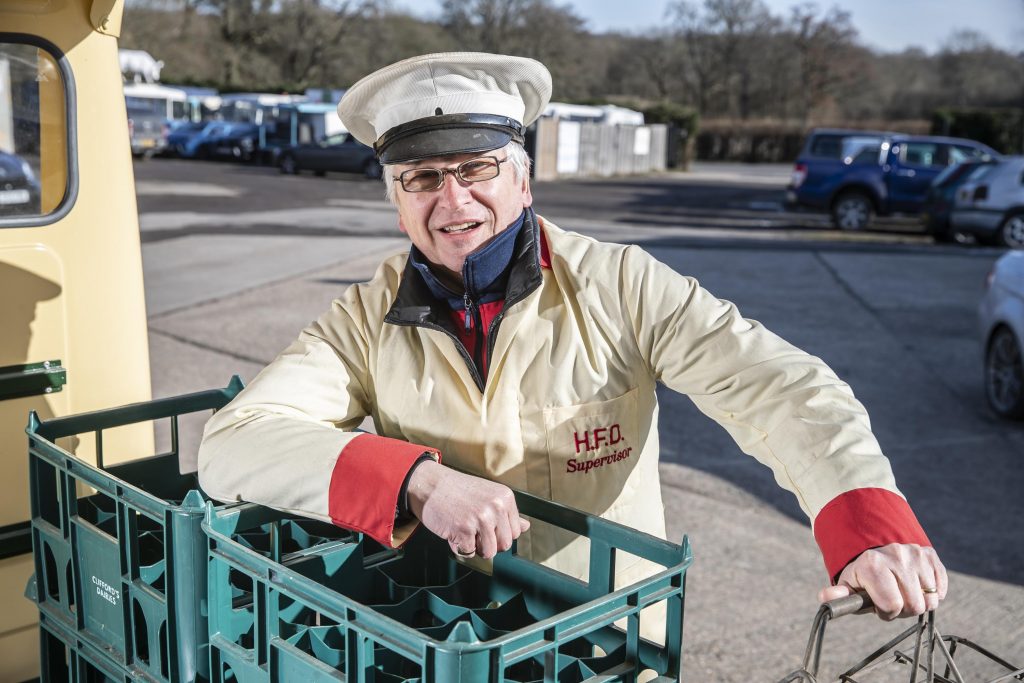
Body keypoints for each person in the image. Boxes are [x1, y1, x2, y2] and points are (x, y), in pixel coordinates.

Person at [198, 52, 945, 624]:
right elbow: (231, 443)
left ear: (523, 180)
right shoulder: (364, 317)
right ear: (397, 202)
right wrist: (416, 481)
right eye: (422, 177)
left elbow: (779, 387)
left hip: (609, 638)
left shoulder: (621, 283)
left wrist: (866, 525)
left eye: (476, 167)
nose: (453, 199)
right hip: (452, 631)